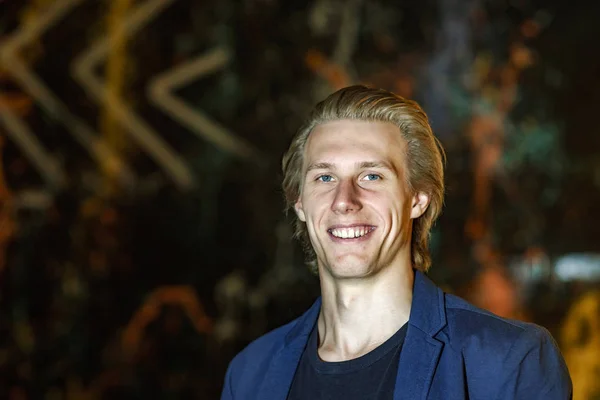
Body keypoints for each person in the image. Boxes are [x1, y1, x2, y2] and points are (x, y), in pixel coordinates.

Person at [220, 86, 572, 399]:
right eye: (325, 177)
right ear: (300, 202)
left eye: (372, 176)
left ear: (418, 198)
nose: (344, 200)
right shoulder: (250, 373)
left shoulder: (508, 361)